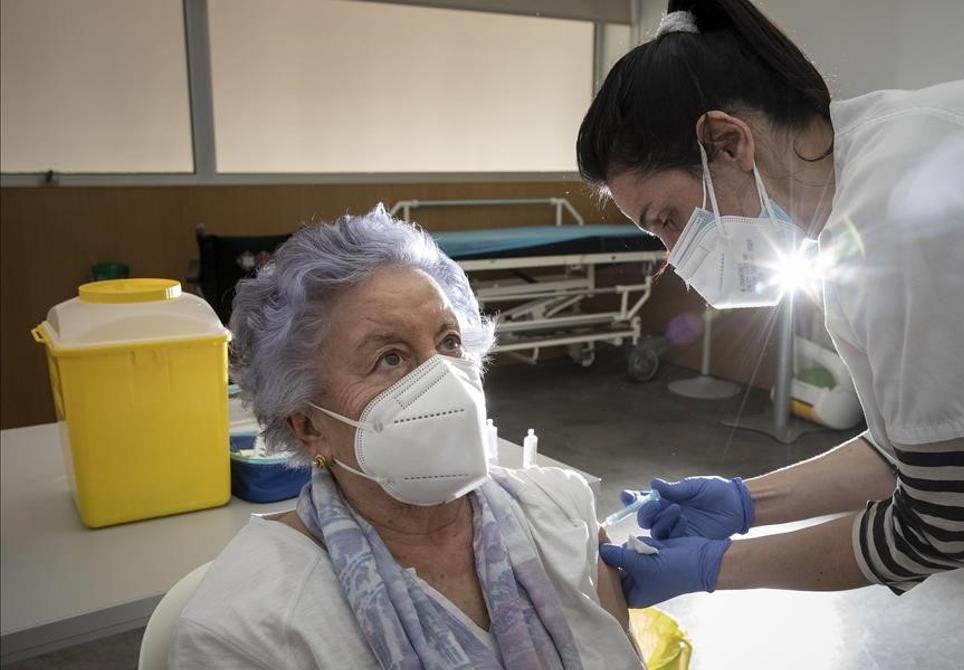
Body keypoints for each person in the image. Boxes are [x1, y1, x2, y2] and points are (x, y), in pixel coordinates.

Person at [576, 1, 964, 668]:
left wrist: (714, 566)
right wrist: (743, 502)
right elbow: (929, 440)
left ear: (728, 142)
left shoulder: (909, 210)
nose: (674, 253)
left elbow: (948, 522)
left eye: (668, 218)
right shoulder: (869, 168)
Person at [169, 206, 643, 669]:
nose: (444, 379)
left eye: (449, 342)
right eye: (390, 358)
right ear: (309, 426)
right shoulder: (251, 627)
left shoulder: (563, 514)